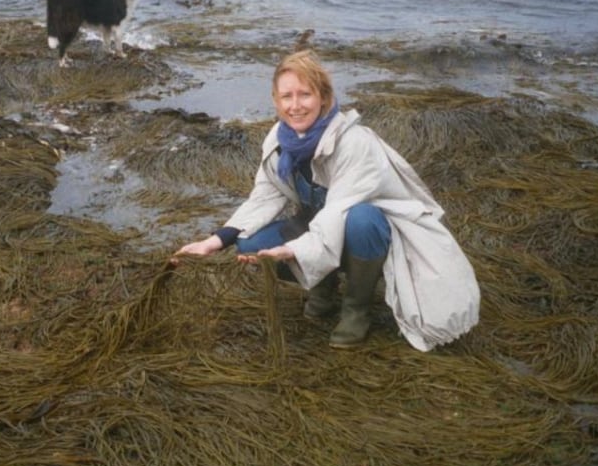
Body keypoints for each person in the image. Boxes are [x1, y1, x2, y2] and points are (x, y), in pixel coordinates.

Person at [174, 50, 479, 350]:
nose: (295, 106)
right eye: (286, 96)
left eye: (305, 94)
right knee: (249, 243)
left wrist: (291, 250)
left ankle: (356, 309)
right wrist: (215, 241)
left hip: (375, 233)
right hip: (321, 228)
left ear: (324, 97)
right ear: (276, 101)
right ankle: (323, 287)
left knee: (362, 219)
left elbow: (337, 214)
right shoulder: (278, 141)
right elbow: (264, 198)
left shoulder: (355, 143)